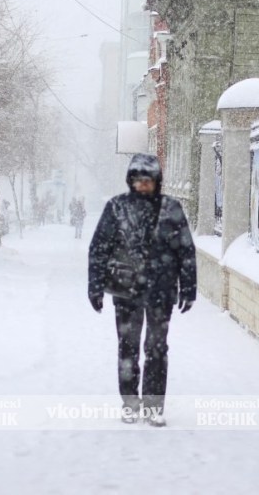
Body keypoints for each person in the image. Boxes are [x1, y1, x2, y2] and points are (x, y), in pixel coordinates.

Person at [87, 154, 196, 427]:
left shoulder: (171, 209)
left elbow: (186, 251)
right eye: (138, 180)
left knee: (157, 349)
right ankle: (130, 403)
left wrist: (189, 287)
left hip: (161, 291)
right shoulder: (116, 208)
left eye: (147, 181)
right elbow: (99, 248)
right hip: (126, 290)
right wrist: (95, 287)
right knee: (128, 349)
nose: (142, 185)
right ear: (130, 181)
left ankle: (154, 406)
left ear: (157, 181)